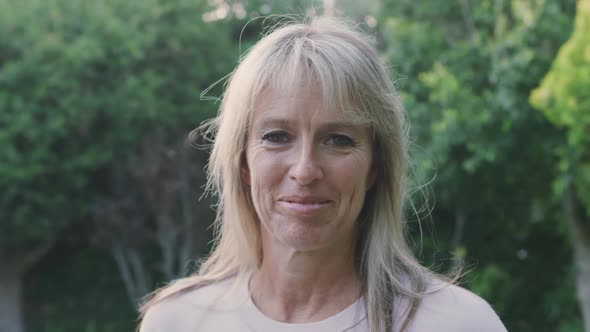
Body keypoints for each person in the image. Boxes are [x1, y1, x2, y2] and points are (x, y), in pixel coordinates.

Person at [138, 16, 508, 332]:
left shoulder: (458, 324)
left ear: (375, 167)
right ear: (243, 161)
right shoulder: (176, 322)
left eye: (338, 140)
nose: (305, 170)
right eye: (277, 136)